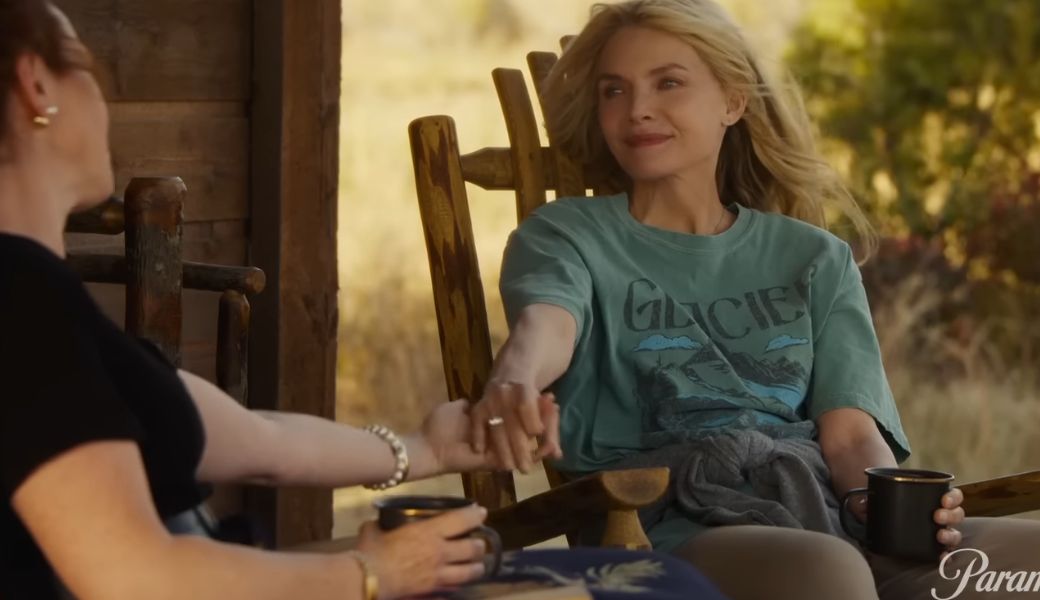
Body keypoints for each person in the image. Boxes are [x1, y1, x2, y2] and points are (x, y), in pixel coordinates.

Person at [0, 2, 731, 599]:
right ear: (37, 86)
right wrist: (372, 574)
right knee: (655, 590)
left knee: (662, 584)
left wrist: (429, 448)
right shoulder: (21, 299)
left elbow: (261, 443)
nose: (105, 101)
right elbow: (131, 578)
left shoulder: (43, 301)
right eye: (87, 69)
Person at [469, 1, 1040, 599]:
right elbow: (546, 324)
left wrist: (883, 503)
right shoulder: (570, 236)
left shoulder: (813, 256)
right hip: (665, 524)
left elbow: (850, 434)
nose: (637, 108)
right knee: (824, 569)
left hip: (823, 510)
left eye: (668, 83)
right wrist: (515, 380)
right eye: (615, 90)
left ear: (732, 101)